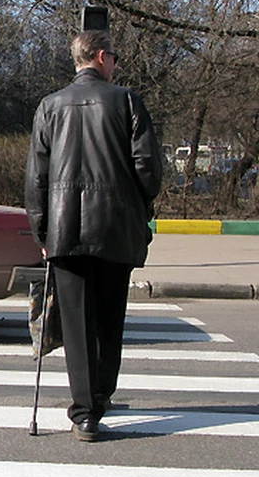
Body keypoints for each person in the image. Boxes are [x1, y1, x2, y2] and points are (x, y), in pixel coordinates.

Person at [24, 30, 163, 442]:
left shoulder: (50, 106)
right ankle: (100, 395)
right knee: (109, 319)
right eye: (114, 56)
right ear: (102, 57)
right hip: (116, 226)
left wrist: (41, 230)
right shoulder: (126, 101)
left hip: (65, 230)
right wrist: (142, 206)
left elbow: (37, 177)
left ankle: (84, 412)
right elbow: (148, 168)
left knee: (77, 320)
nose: (115, 63)